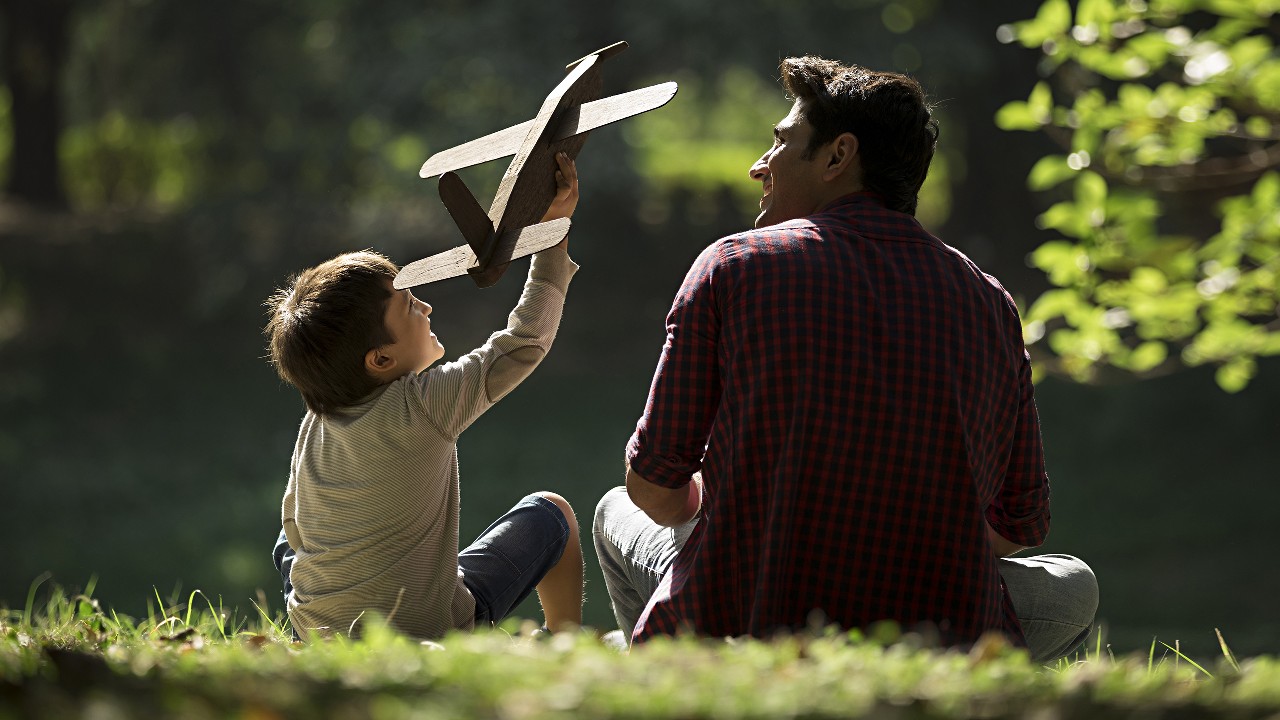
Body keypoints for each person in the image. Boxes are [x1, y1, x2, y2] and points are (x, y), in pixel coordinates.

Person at [593, 57, 1098, 662]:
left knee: (612, 511)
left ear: (838, 157)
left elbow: (654, 488)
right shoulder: (988, 302)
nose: (759, 165)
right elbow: (1019, 523)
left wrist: (733, 495)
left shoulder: (734, 266)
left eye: (780, 143)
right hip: (936, 637)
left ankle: (669, 684)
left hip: (745, 618)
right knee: (1075, 585)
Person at [266, 153, 584, 641]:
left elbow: (295, 520)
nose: (428, 305)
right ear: (379, 359)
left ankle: (320, 626)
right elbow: (523, 343)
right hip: (426, 630)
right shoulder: (423, 406)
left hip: (320, 634)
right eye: (412, 305)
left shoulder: (318, 417)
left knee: (288, 542)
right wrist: (553, 237)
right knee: (553, 512)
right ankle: (565, 643)